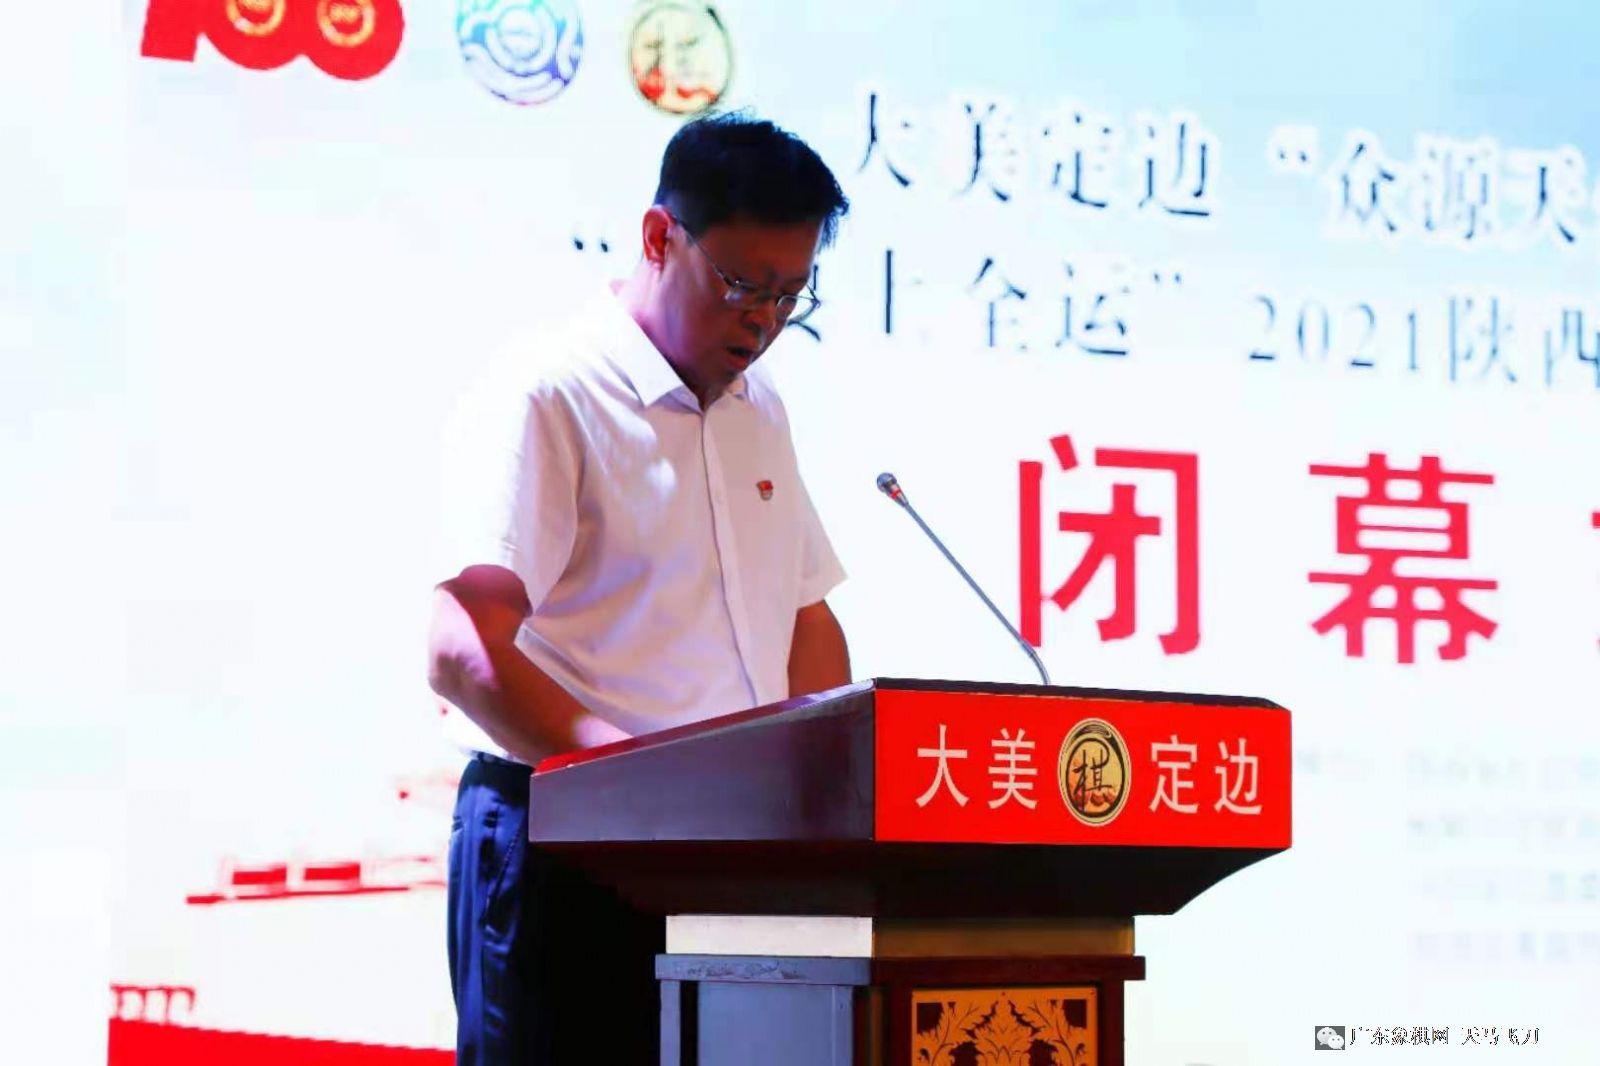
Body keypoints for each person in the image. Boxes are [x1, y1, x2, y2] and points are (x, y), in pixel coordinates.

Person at [427, 112, 853, 1064]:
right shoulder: (551, 390)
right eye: (742, 285)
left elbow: (804, 620)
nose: (764, 319)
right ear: (661, 237)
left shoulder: (759, 409)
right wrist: (639, 785)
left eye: (791, 294)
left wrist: (824, 799)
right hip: (565, 844)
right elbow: (461, 646)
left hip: (723, 853)